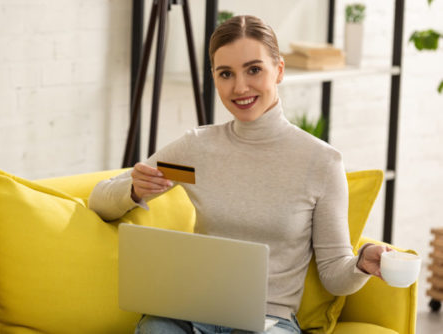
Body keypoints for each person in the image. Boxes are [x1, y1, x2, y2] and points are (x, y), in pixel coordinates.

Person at [89, 15, 390, 334]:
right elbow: (100, 198)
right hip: (191, 312)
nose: (240, 87)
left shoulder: (320, 162)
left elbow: (334, 273)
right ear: (215, 79)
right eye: (226, 74)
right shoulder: (198, 152)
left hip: (269, 321)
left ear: (279, 70)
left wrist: (361, 263)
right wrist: (134, 190)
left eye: (254, 69)